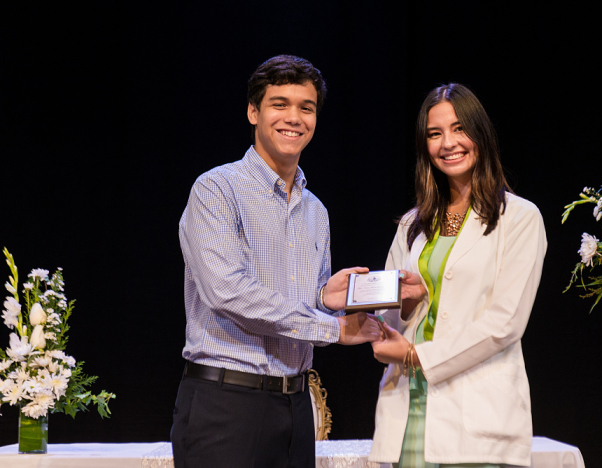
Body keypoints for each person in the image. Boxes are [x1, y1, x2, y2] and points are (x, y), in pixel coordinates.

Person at [171, 55, 382, 468]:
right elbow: (229, 293)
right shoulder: (216, 189)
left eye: (306, 107)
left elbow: (295, 307)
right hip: (226, 406)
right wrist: (333, 328)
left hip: (295, 407)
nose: (294, 118)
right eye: (279, 104)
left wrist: (324, 297)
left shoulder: (315, 210)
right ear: (253, 112)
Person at [369, 83, 547, 468]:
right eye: (435, 133)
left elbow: (505, 323)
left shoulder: (519, 218)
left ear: (481, 133)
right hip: (409, 406)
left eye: (459, 128)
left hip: (477, 415)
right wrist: (406, 303)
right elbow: (386, 319)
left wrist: (417, 355)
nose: (448, 143)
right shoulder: (413, 224)